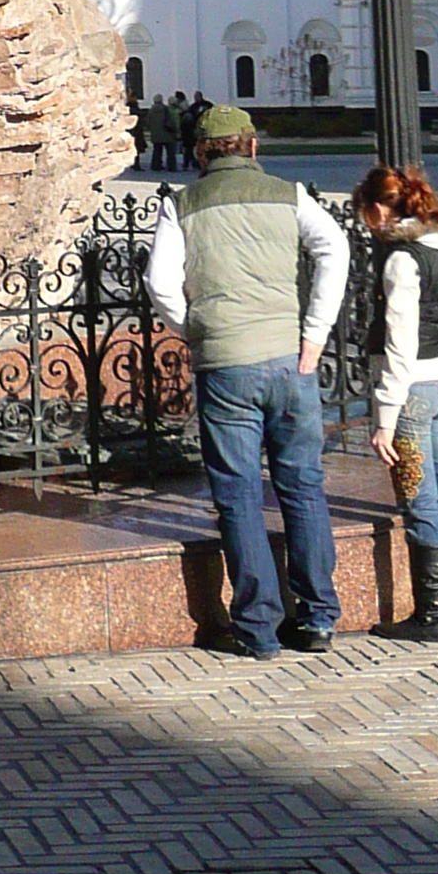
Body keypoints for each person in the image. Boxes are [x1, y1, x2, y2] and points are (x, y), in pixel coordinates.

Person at [147, 103, 352, 658]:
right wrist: (315, 331)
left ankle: (259, 628)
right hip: (291, 358)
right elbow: (335, 249)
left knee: (237, 494)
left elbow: (160, 283)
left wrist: (196, 329)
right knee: (301, 485)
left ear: (200, 152)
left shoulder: (181, 205)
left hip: (226, 363)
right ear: (252, 146)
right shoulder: (290, 196)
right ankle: (317, 618)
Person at [358, 163, 438, 643]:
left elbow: (400, 344)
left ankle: (430, 615)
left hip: (410, 392)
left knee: (420, 501)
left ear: (378, 210)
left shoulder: (403, 260)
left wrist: (384, 418)